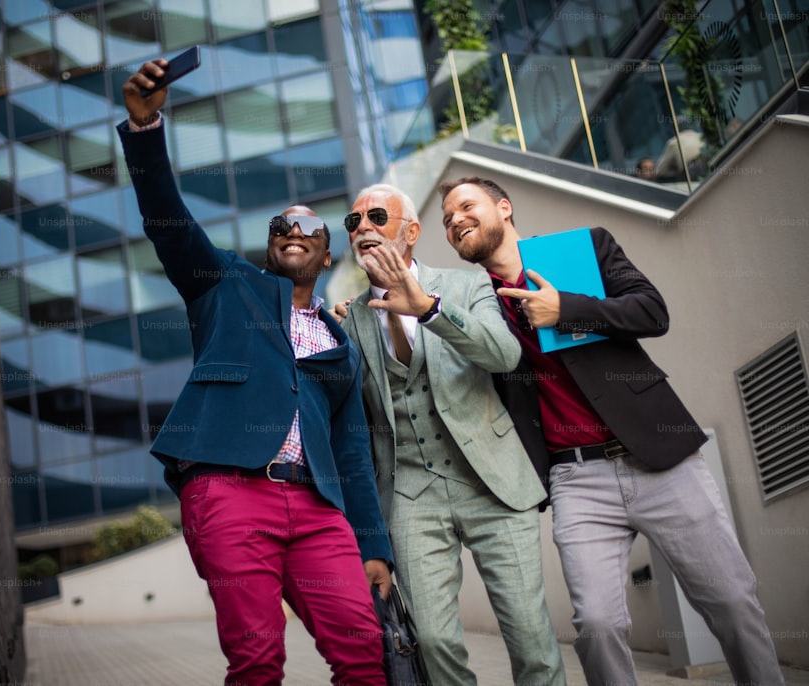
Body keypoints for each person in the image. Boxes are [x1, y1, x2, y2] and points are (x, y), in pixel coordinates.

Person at [438, 175, 785, 686]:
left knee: (732, 600)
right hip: (576, 479)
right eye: (447, 220)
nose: (456, 221)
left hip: (660, 456)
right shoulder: (472, 305)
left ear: (504, 207)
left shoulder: (584, 248)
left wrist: (568, 309)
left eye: (466, 206)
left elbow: (652, 311)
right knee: (596, 626)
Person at [118, 58, 394, 685]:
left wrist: (373, 546)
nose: (294, 230)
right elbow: (167, 218)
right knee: (257, 661)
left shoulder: (340, 344)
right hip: (230, 492)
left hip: (319, 509)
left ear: (327, 254)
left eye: (309, 228)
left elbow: (353, 452)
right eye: (282, 226)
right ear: (272, 245)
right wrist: (145, 127)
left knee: (364, 653)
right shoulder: (225, 284)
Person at [337, 184, 565, 685]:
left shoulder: (465, 287)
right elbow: (351, 424)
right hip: (410, 497)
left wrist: (430, 310)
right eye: (354, 223)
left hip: (491, 482)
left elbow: (505, 356)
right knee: (435, 644)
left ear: (411, 232)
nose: (363, 229)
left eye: (377, 216)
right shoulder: (349, 320)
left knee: (531, 638)